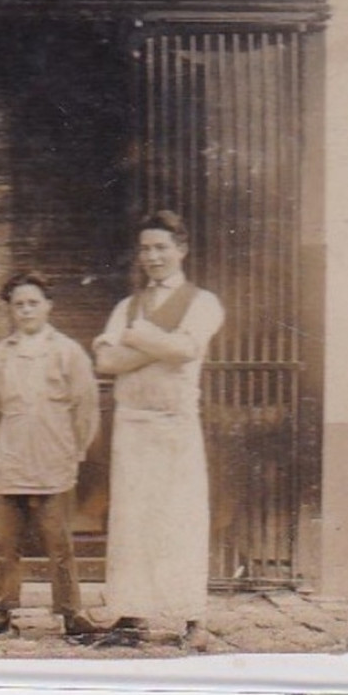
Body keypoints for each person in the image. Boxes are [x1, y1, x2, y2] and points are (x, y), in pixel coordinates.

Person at [92, 211, 225, 649]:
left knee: (180, 519)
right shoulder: (125, 306)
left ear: (181, 250)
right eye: (146, 248)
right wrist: (156, 345)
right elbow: (105, 362)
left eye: (161, 247)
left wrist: (138, 336)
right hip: (132, 425)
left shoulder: (202, 302)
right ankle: (132, 616)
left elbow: (187, 349)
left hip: (175, 426)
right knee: (132, 521)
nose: (153, 256)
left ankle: (191, 618)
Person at [0, 271, 105, 641]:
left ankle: (71, 613)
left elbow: (86, 405)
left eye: (33, 303)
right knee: (6, 545)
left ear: (48, 306)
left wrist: (74, 449)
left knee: (58, 544)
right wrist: (8, 441)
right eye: (18, 304)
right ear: (10, 310)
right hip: (13, 461)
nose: (26, 310)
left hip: (54, 460)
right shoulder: (2, 353)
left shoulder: (67, 351)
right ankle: (0, 611)